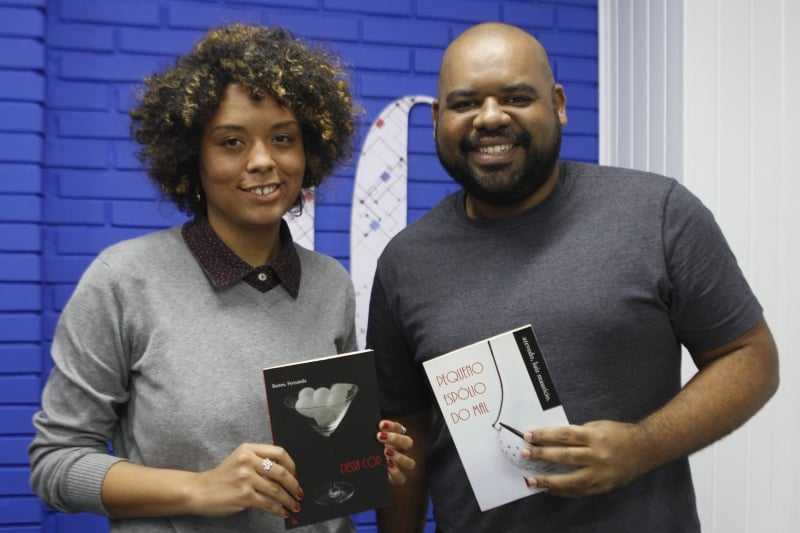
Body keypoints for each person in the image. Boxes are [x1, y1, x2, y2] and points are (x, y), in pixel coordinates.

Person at [368, 21, 779, 533]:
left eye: (517, 96)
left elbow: (751, 357)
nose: (490, 117)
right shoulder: (405, 263)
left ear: (558, 104)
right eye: (465, 103)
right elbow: (404, 427)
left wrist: (641, 446)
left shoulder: (657, 213)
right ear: (437, 120)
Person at [28, 23, 414, 533]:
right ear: (194, 158)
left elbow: (325, 451)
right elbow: (55, 463)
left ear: (308, 153)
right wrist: (200, 488)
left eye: (283, 139)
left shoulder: (329, 284)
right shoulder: (123, 280)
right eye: (231, 141)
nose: (262, 161)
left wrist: (367, 453)